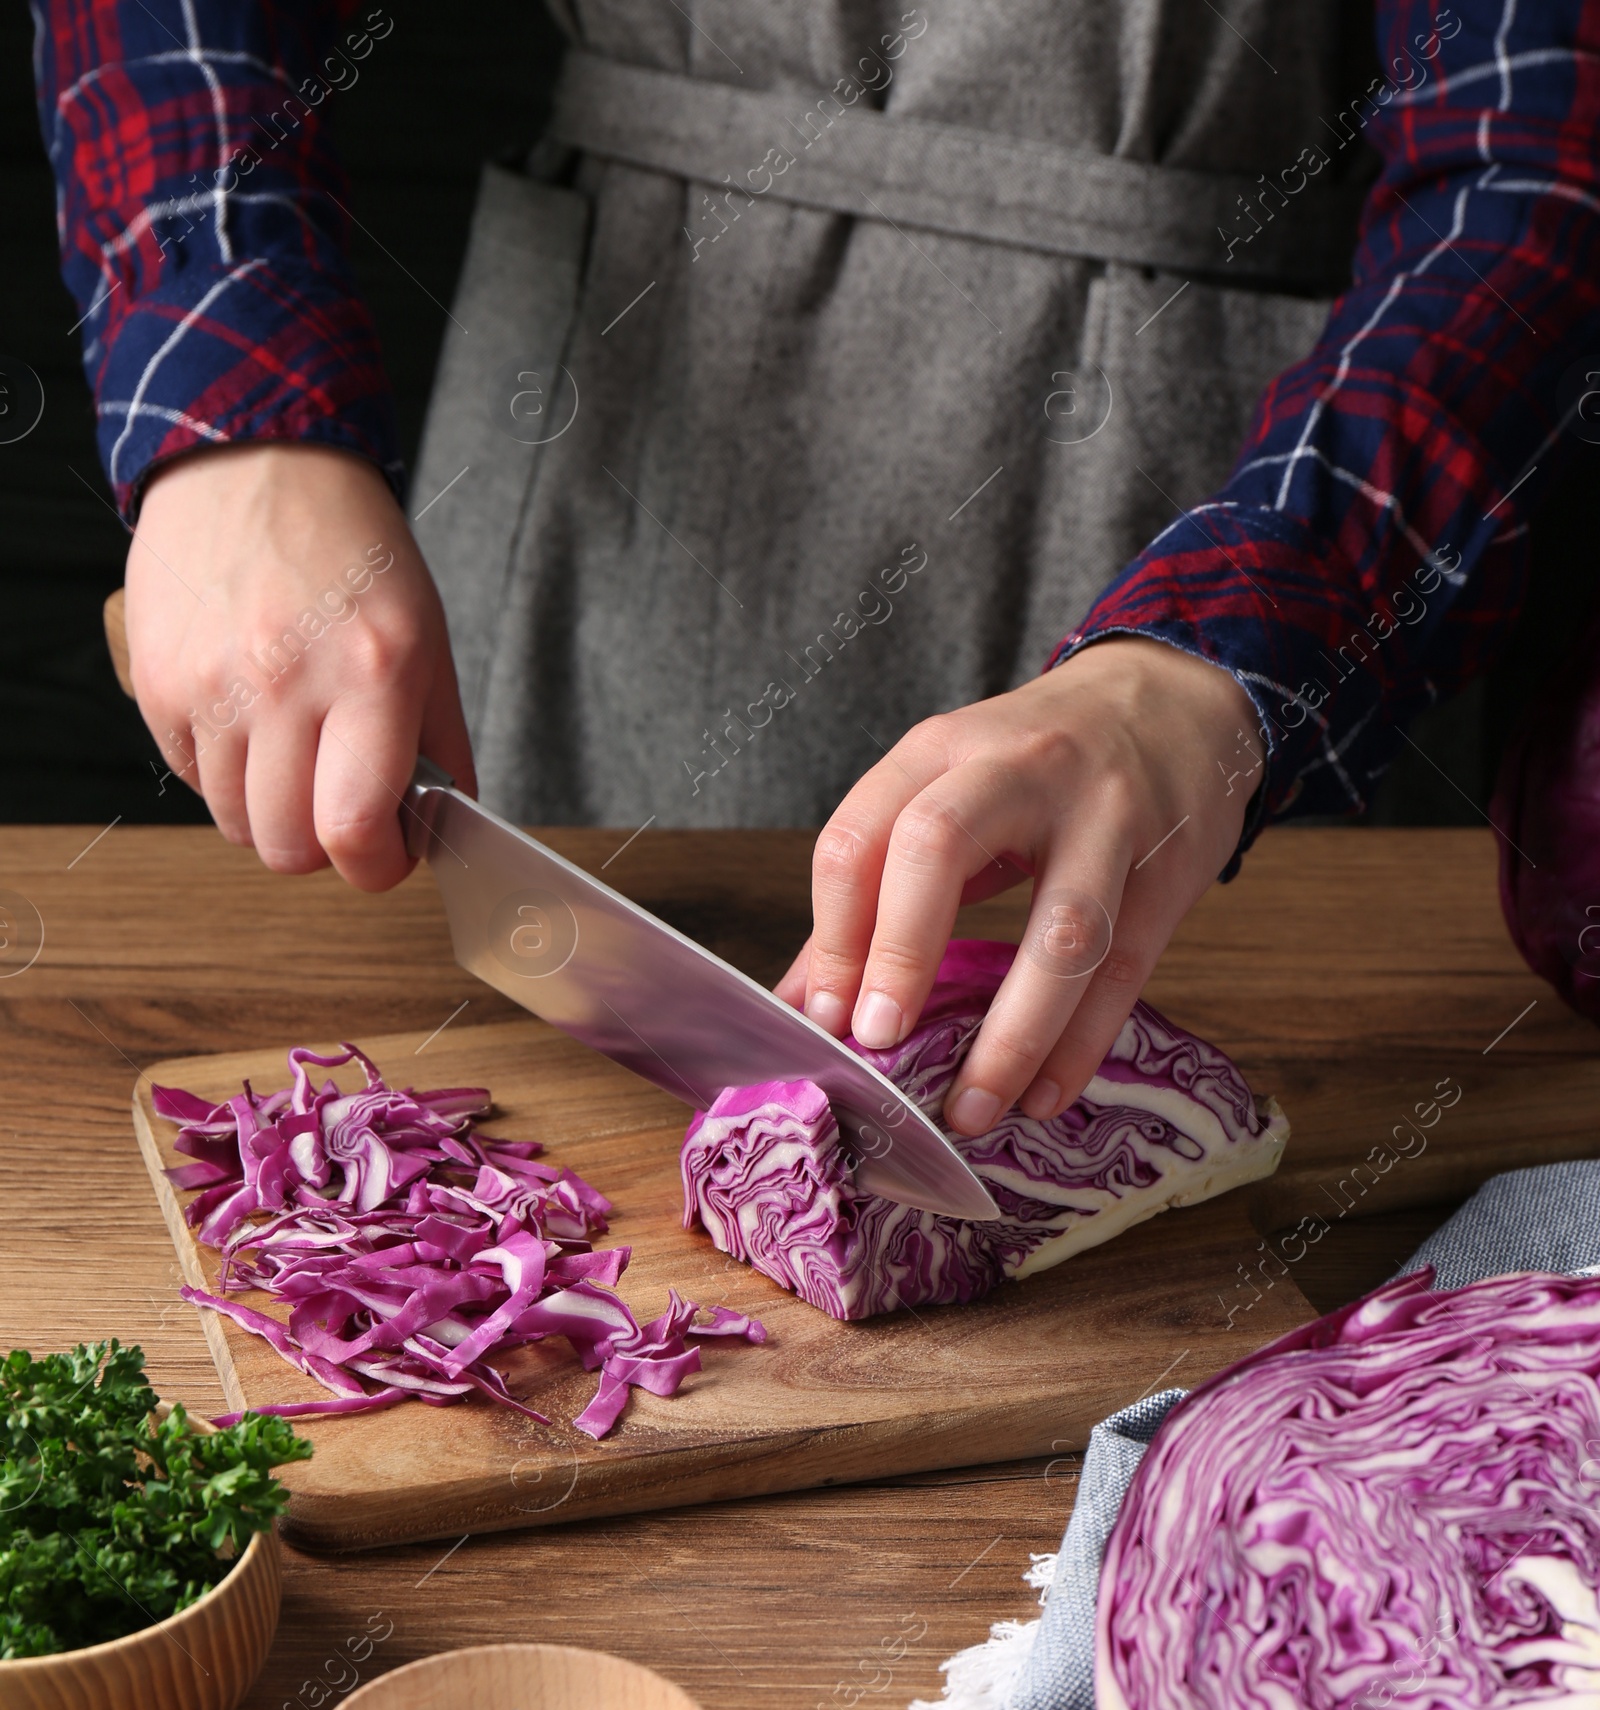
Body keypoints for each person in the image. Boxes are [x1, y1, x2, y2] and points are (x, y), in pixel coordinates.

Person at [36, 2, 1600, 1134]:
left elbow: (1538, 184)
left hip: (1260, 488)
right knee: (564, 1119)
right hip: (610, 421)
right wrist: (226, 377)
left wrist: (1229, 668)